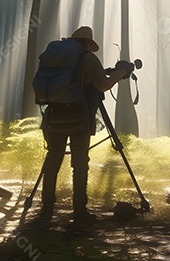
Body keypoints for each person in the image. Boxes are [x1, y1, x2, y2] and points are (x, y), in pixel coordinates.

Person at [38, 25, 131, 224]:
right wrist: (121, 72)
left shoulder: (55, 56)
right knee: (80, 163)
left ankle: (46, 208)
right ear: (87, 43)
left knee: (53, 158)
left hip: (53, 114)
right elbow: (103, 85)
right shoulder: (86, 57)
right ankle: (79, 211)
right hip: (77, 116)